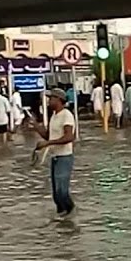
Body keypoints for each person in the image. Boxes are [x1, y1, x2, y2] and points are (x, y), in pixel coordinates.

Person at [31, 89, 76, 218]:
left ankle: (71, 212)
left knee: (62, 192)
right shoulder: (54, 116)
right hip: (55, 157)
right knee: (56, 194)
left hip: (64, 157)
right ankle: (62, 218)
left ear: (59, 100)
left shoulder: (66, 115)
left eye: (51, 99)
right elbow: (49, 136)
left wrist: (48, 143)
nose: (49, 101)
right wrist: (37, 127)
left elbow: (69, 137)